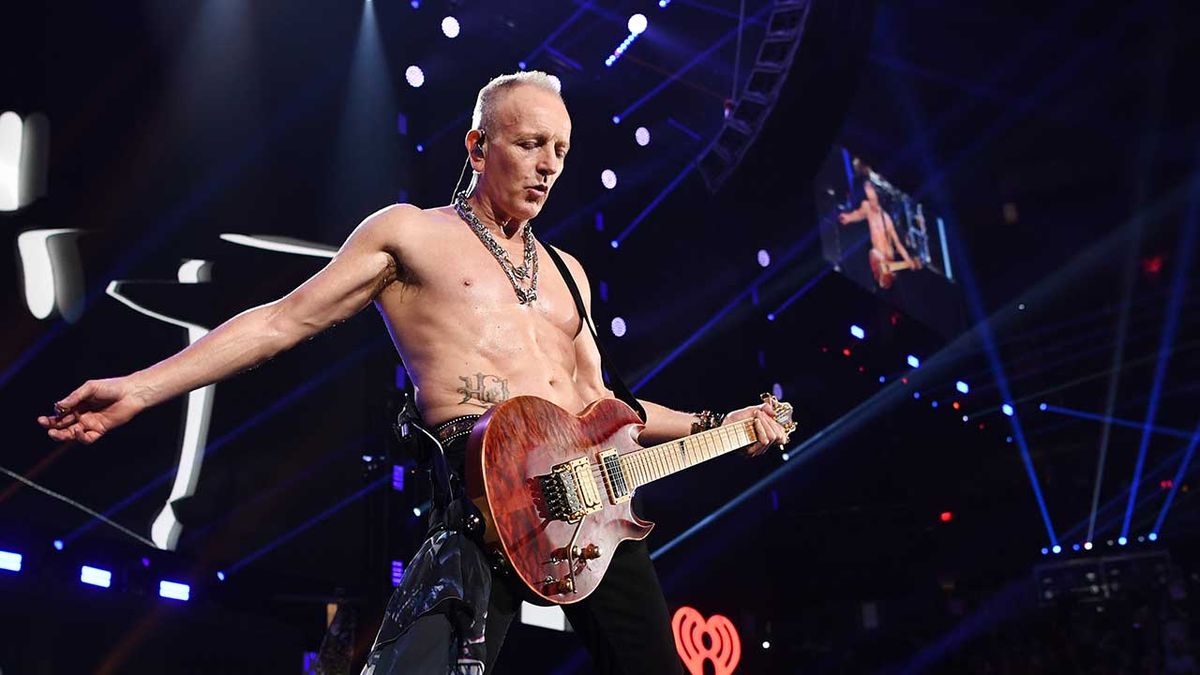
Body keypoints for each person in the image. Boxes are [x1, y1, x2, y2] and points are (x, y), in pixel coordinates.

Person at [37, 71, 790, 673]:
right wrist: (140, 387)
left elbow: (606, 403)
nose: (548, 165)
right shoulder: (409, 234)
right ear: (477, 143)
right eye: (530, 144)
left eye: (560, 150)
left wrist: (717, 425)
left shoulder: (570, 274)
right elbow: (280, 321)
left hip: (593, 512)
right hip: (482, 498)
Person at [839, 179, 920, 288]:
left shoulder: (886, 219)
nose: (870, 195)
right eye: (867, 191)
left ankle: (886, 275)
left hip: (885, 257)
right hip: (878, 258)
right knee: (875, 255)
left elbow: (898, 244)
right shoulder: (866, 206)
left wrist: (908, 259)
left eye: (871, 192)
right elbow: (858, 215)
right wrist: (848, 218)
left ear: (876, 196)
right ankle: (884, 275)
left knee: (881, 260)